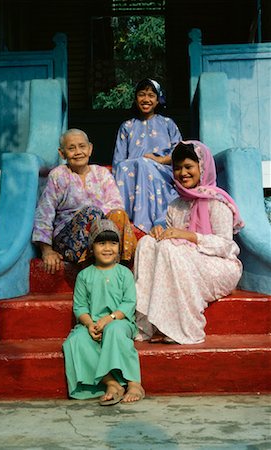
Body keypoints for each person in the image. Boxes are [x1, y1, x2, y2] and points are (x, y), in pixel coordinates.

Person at [134, 140, 244, 344]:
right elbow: (172, 240)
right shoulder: (176, 205)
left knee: (169, 248)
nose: (182, 173)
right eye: (177, 168)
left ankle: (181, 327)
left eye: (188, 167)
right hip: (185, 260)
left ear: (202, 168)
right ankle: (151, 323)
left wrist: (191, 236)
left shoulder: (216, 202)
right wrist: (159, 232)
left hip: (220, 265)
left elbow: (227, 246)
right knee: (147, 244)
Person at [63, 219, 145, 405]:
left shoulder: (124, 273)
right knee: (76, 340)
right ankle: (111, 383)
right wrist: (90, 324)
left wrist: (110, 318)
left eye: (113, 243)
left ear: (119, 246)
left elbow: (129, 303)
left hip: (120, 321)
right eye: (101, 243)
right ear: (92, 247)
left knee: (114, 330)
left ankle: (133, 383)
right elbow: (80, 307)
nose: (108, 248)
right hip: (92, 323)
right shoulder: (84, 276)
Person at [32, 128, 137, 273]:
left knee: (118, 214)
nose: (78, 152)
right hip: (69, 240)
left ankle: (120, 267)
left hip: (101, 235)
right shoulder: (58, 175)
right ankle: (91, 268)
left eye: (82, 146)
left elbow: (116, 204)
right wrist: (46, 250)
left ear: (90, 149)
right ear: (62, 153)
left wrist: (98, 225)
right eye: (71, 148)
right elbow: (45, 211)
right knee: (91, 212)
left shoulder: (101, 173)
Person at [112, 78, 182, 233]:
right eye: (142, 94)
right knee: (126, 167)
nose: (146, 99)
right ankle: (124, 216)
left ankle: (149, 223)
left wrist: (160, 159)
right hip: (132, 175)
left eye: (151, 95)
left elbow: (180, 153)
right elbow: (119, 161)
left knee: (144, 164)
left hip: (162, 172)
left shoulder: (167, 123)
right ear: (136, 99)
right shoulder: (127, 126)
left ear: (158, 101)